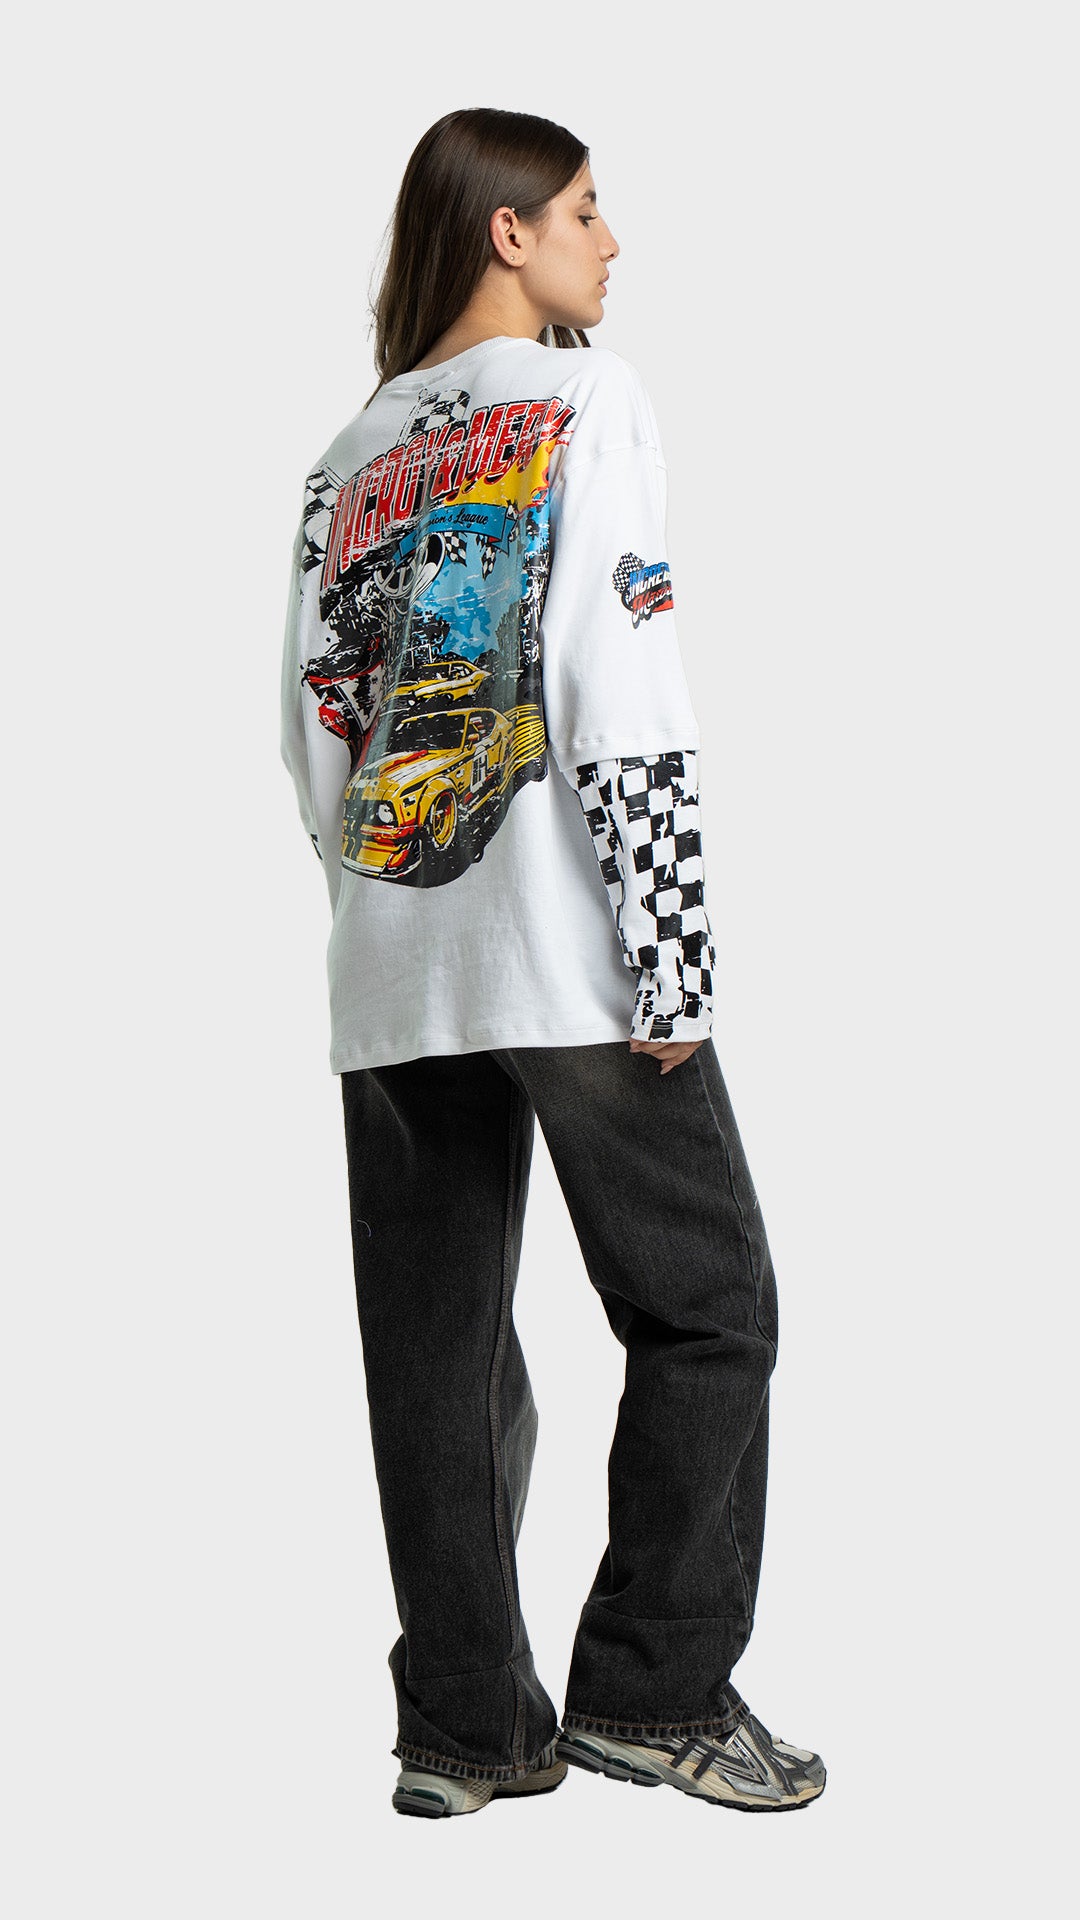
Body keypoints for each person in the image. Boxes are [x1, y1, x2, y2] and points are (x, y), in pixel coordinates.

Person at [279, 107, 825, 1819]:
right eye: (588, 210)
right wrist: (671, 947)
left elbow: (315, 725)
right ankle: (654, 1694)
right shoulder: (588, 401)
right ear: (508, 231)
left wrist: (381, 910)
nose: (612, 240)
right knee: (709, 1307)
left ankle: (465, 1730)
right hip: (568, 942)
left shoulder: (350, 452)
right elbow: (618, 677)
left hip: (392, 954)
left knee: (432, 1350)